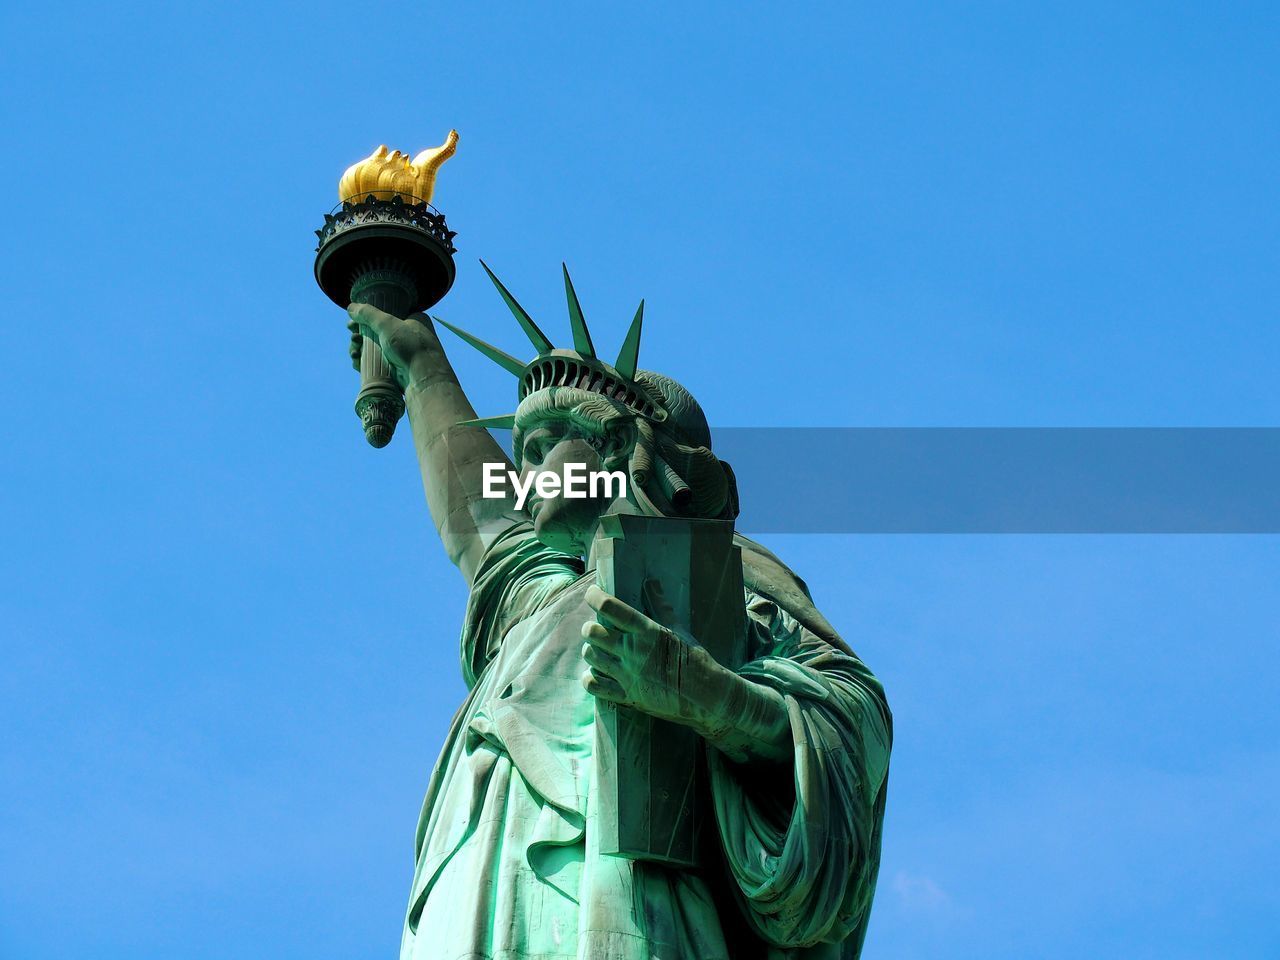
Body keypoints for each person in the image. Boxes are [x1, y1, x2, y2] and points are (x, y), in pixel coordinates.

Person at [344, 268, 891, 959]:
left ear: (623, 451)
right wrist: (418, 358)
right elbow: (479, 521)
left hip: (630, 905)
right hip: (478, 907)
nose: (524, 473)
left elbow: (853, 719)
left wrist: (705, 694)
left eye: (546, 446)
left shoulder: (722, 581)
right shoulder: (539, 601)